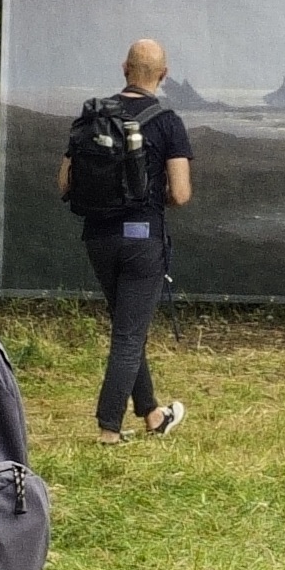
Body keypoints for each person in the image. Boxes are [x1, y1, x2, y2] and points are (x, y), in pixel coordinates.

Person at [64, 36, 197, 439]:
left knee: (127, 326)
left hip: (98, 238)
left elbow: (64, 183)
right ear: (164, 75)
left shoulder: (93, 117)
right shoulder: (167, 122)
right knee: (128, 334)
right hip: (142, 240)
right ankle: (108, 429)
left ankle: (153, 415)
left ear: (124, 69)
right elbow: (181, 193)